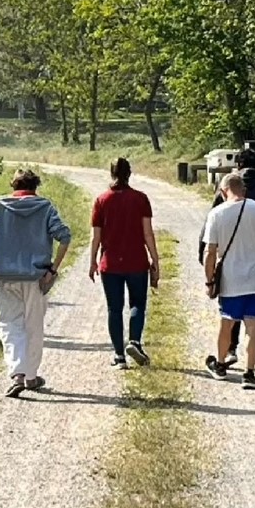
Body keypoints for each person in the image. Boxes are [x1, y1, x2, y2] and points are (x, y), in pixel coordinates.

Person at [0, 168, 72, 398]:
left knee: (9, 325)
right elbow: (65, 237)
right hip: (36, 278)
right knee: (34, 327)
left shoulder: (0, 205)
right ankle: (31, 377)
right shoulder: (45, 207)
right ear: (35, 186)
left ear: (14, 186)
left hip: (6, 276)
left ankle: (17, 372)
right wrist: (53, 269)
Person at [198, 148, 255, 366]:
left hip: (230, 262)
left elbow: (208, 234)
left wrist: (206, 265)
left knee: (230, 313)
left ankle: (229, 351)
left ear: (237, 166)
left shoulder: (227, 187)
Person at [89, 158, 160, 369]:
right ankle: (135, 341)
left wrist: (92, 261)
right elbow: (148, 233)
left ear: (111, 174)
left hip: (110, 264)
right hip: (137, 261)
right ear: (130, 174)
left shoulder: (101, 200)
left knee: (114, 309)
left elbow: (96, 237)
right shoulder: (141, 199)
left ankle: (119, 356)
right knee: (137, 304)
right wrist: (155, 260)